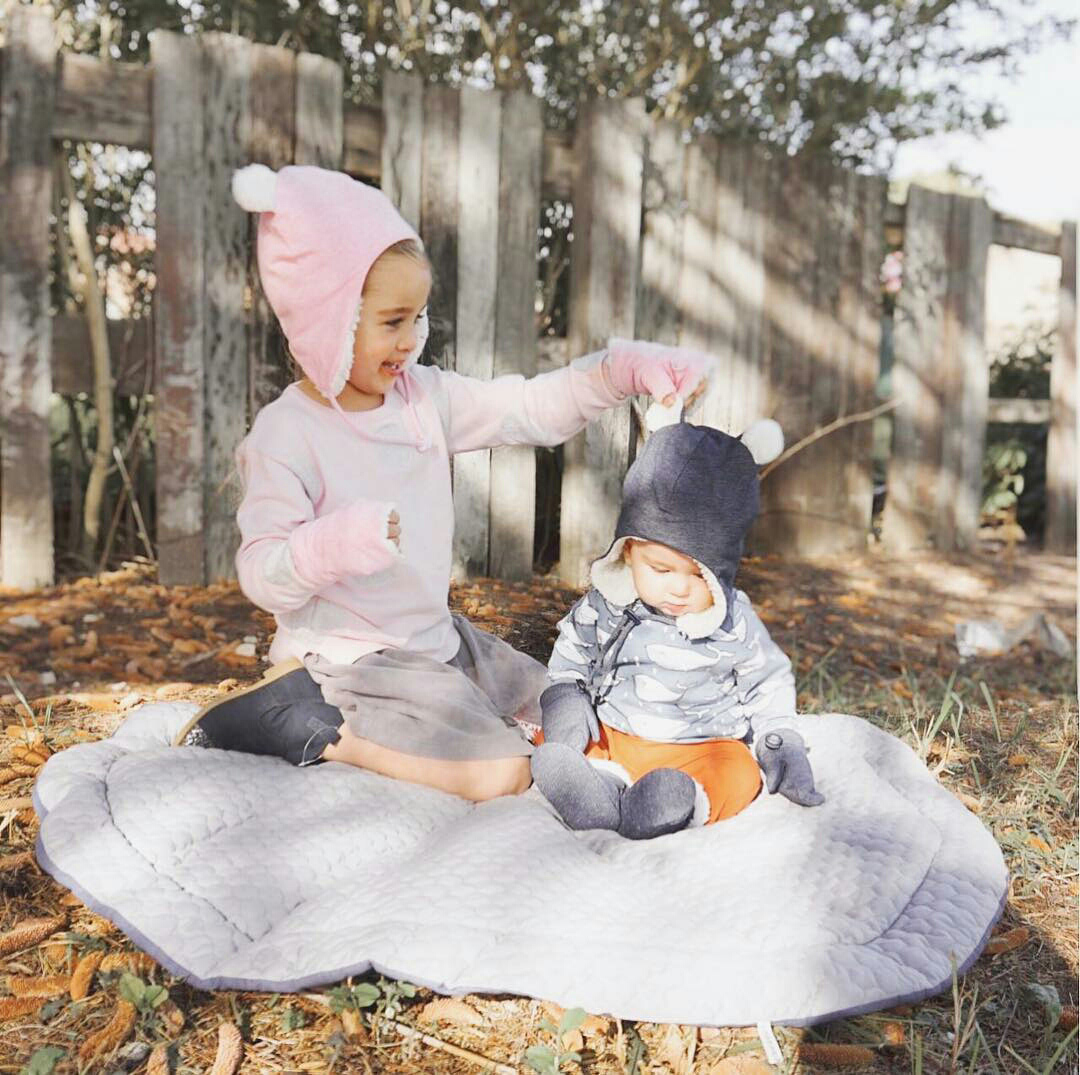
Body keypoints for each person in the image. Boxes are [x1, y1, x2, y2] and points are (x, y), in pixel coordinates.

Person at [174, 162, 709, 803]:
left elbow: (527, 408)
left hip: (438, 641)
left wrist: (618, 371)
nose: (410, 342)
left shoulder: (420, 397)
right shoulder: (286, 434)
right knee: (506, 775)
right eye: (391, 321)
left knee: (572, 712)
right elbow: (262, 572)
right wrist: (333, 544)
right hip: (353, 663)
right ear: (325, 319)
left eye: (418, 317)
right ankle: (308, 726)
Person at [530, 418, 825, 839]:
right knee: (564, 739)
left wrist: (779, 738)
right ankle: (598, 791)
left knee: (740, 773)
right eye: (661, 569)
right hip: (617, 731)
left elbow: (767, 683)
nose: (680, 588)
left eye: (699, 575)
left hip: (701, 748)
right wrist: (566, 696)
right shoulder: (611, 601)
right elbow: (576, 650)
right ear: (629, 551)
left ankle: (674, 804)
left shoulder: (734, 622)